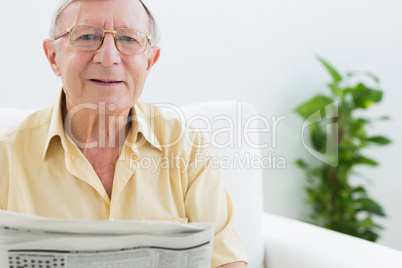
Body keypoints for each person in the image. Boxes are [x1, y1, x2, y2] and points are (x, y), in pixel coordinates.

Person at [0, 0, 247, 267]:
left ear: (150, 61)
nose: (108, 57)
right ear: (53, 57)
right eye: (87, 36)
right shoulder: (6, 156)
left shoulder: (189, 149)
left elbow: (225, 260)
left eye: (129, 39)